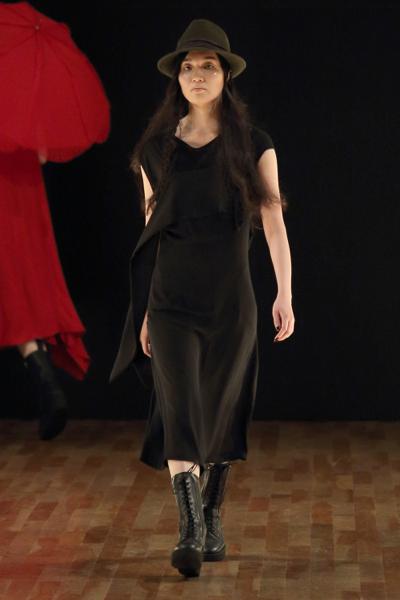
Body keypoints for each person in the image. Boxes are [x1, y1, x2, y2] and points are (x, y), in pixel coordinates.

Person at [109, 18, 295, 577]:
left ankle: (213, 518)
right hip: (170, 302)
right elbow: (150, 232)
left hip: (230, 303)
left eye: (207, 66)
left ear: (225, 76)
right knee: (180, 408)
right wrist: (144, 310)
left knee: (220, 408)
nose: (196, 75)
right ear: (177, 78)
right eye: (187, 67)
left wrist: (285, 292)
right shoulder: (155, 151)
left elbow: (274, 224)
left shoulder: (253, 145)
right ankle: (189, 530)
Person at [0, 149, 90, 440]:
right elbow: (41, 154)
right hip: (19, 177)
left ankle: (45, 379)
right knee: (16, 283)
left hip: (14, 177)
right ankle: (45, 380)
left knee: (11, 287)